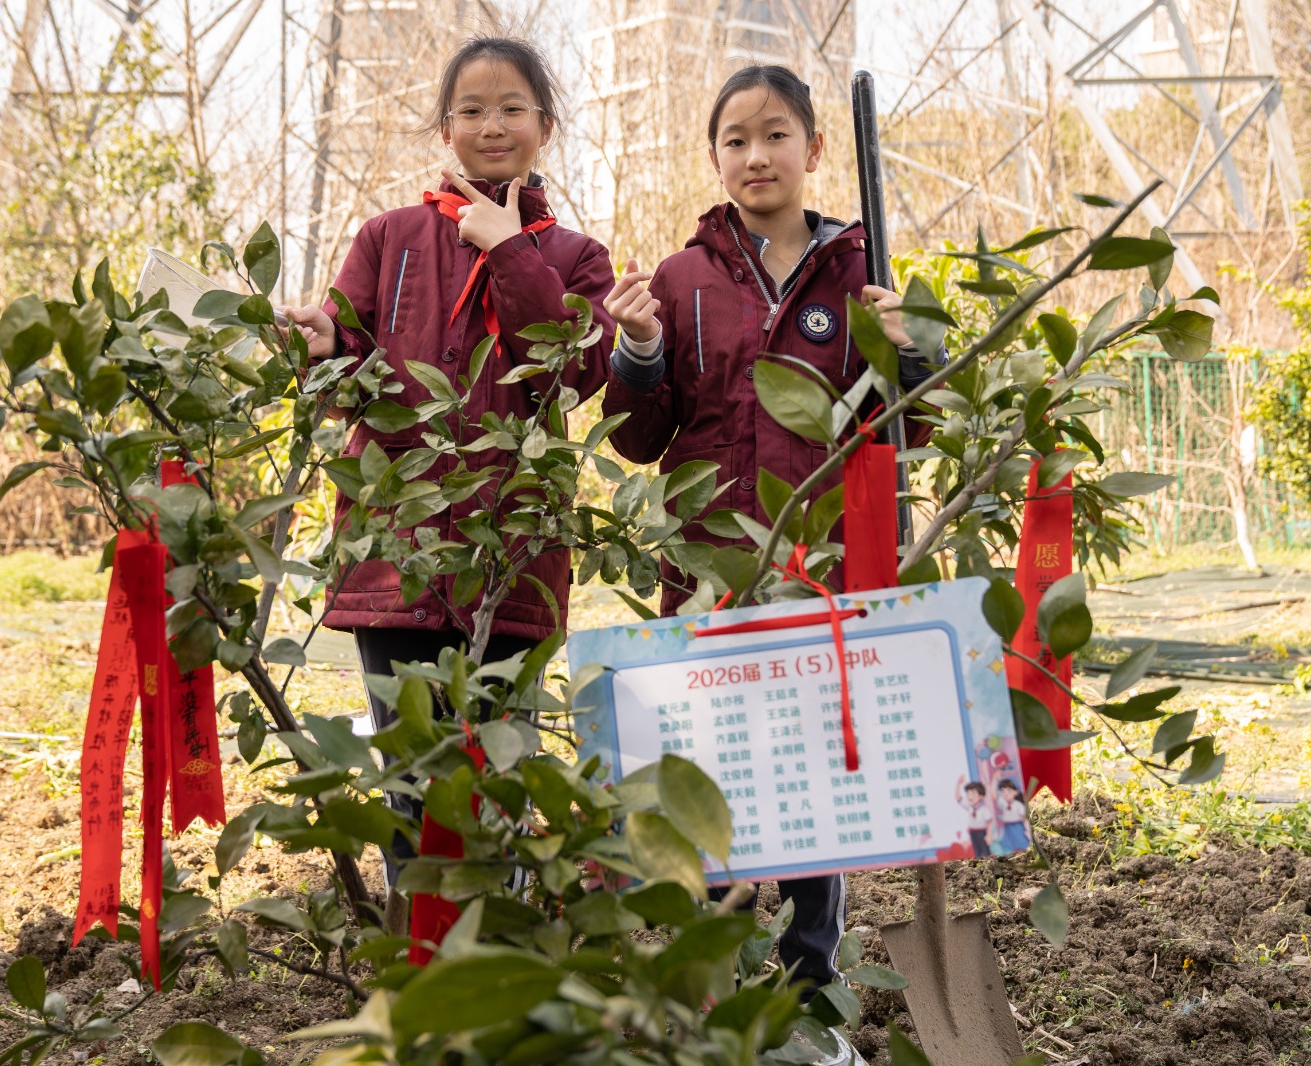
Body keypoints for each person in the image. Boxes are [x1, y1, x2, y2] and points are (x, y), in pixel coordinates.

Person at [601, 64, 943, 1014]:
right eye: (736, 139)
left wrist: (913, 348)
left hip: (819, 567)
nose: (757, 155)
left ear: (815, 149)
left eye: (776, 134)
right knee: (707, 776)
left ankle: (807, 990)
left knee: (812, 781)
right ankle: (712, 989)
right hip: (707, 564)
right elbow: (639, 439)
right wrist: (638, 353)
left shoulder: (866, 275)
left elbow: (914, 429)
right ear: (714, 158)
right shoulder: (680, 280)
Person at [282, 36, 615, 893]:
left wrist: (509, 251)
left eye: (511, 109)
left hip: (514, 553)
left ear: (545, 126)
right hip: (396, 547)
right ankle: (414, 946)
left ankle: (498, 946)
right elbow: (349, 375)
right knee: (409, 779)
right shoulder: (388, 238)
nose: (491, 125)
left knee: (498, 775)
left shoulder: (576, 258)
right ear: (445, 128)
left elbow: (575, 371)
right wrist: (324, 349)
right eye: (471, 110)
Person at [995, 778, 1030, 853]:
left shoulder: (1018, 805)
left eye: (1009, 791)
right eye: (1003, 791)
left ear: (1015, 792)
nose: (1006, 794)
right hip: (1007, 828)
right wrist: (995, 780)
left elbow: (1024, 818)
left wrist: (1028, 829)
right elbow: (994, 796)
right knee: (1010, 846)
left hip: (1017, 827)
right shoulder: (1004, 804)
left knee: (1021, 843)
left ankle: (1023, 853)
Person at [959, 779, 992, 858]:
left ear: (981, 796)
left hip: (982, 832)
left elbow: (990, 822)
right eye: (968, 794)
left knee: (985, 851)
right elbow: (958, 798)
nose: (970, 797)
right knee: (976, 851)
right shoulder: (969, 808)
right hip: (973, 833)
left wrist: (988, 835)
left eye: (973, 794)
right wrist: (958, 784)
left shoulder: (984, 810)